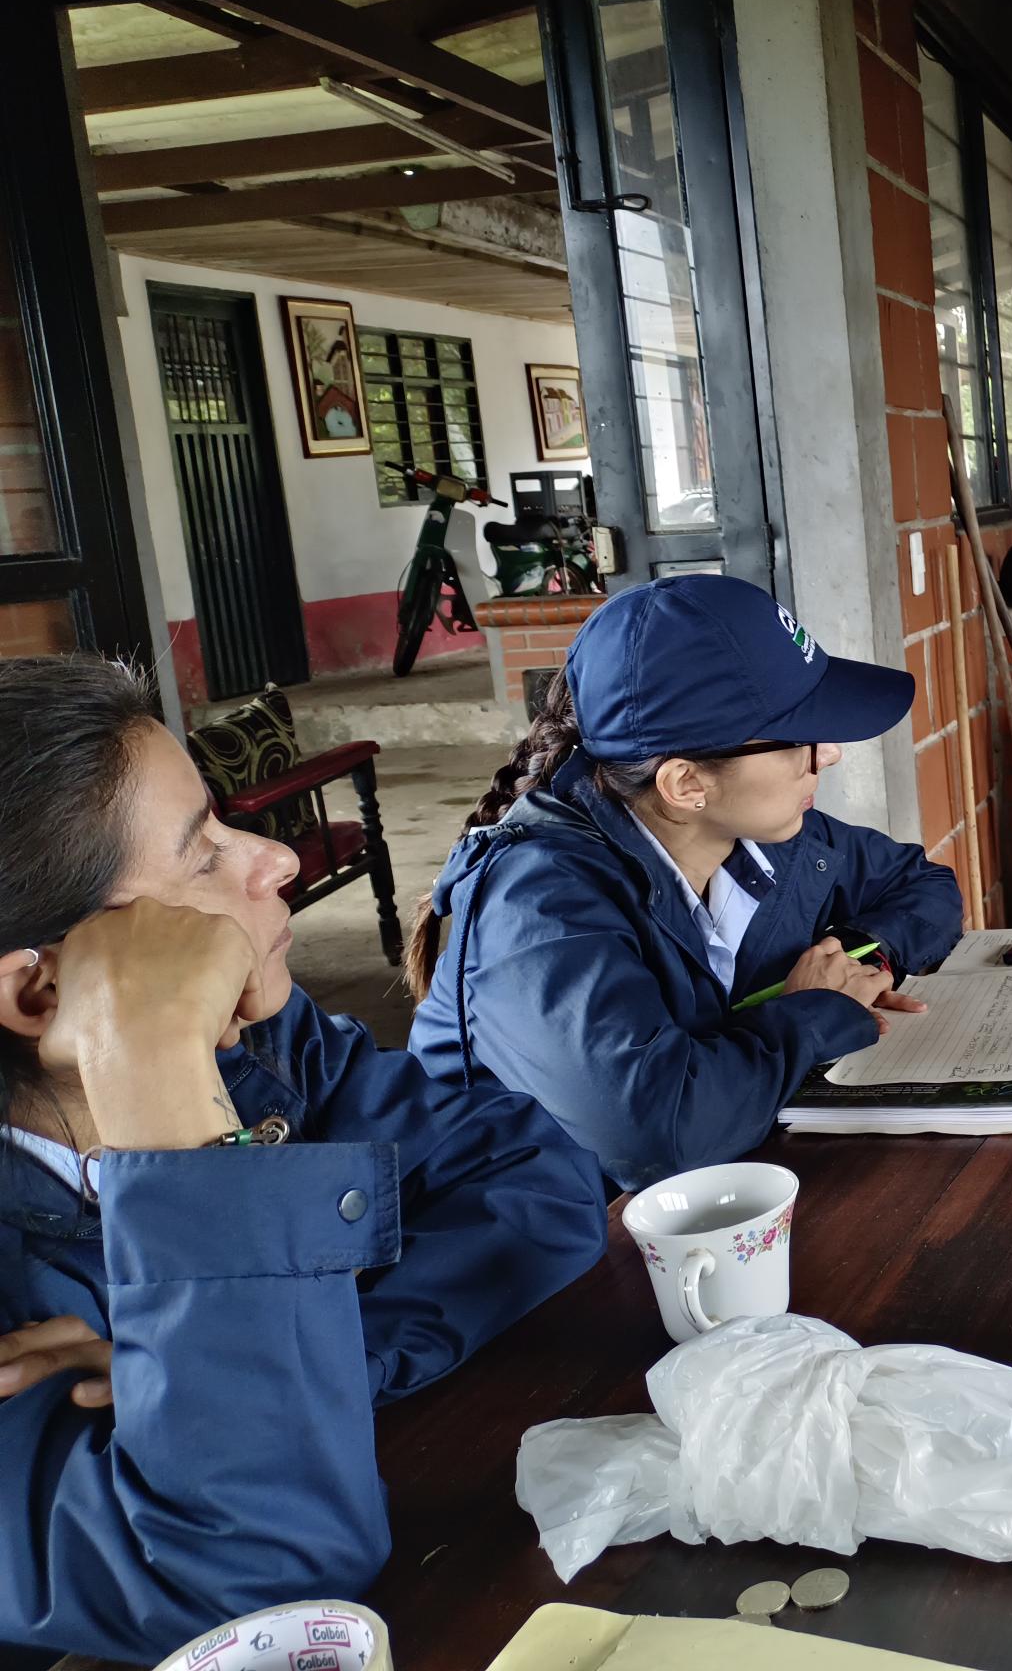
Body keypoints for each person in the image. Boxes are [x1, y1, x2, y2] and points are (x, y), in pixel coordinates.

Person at [0, 658, 605, 1667]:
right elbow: (266, 1578)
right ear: (38, 995)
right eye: (203, 856)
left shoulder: (270, 1057)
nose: (274, 860)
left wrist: (292, 1364)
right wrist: (151, 1075)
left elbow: (538, 1180)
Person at [405, 576, 964, 1191]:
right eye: (799, 738)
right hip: (545, 1256)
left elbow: (923, 884)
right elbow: (659, 1136)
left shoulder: (775, 839)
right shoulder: (540, 904)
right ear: (686, 784)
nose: (827, 754)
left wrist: (864, 958)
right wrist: (814, 1012)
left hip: (706, 1213)